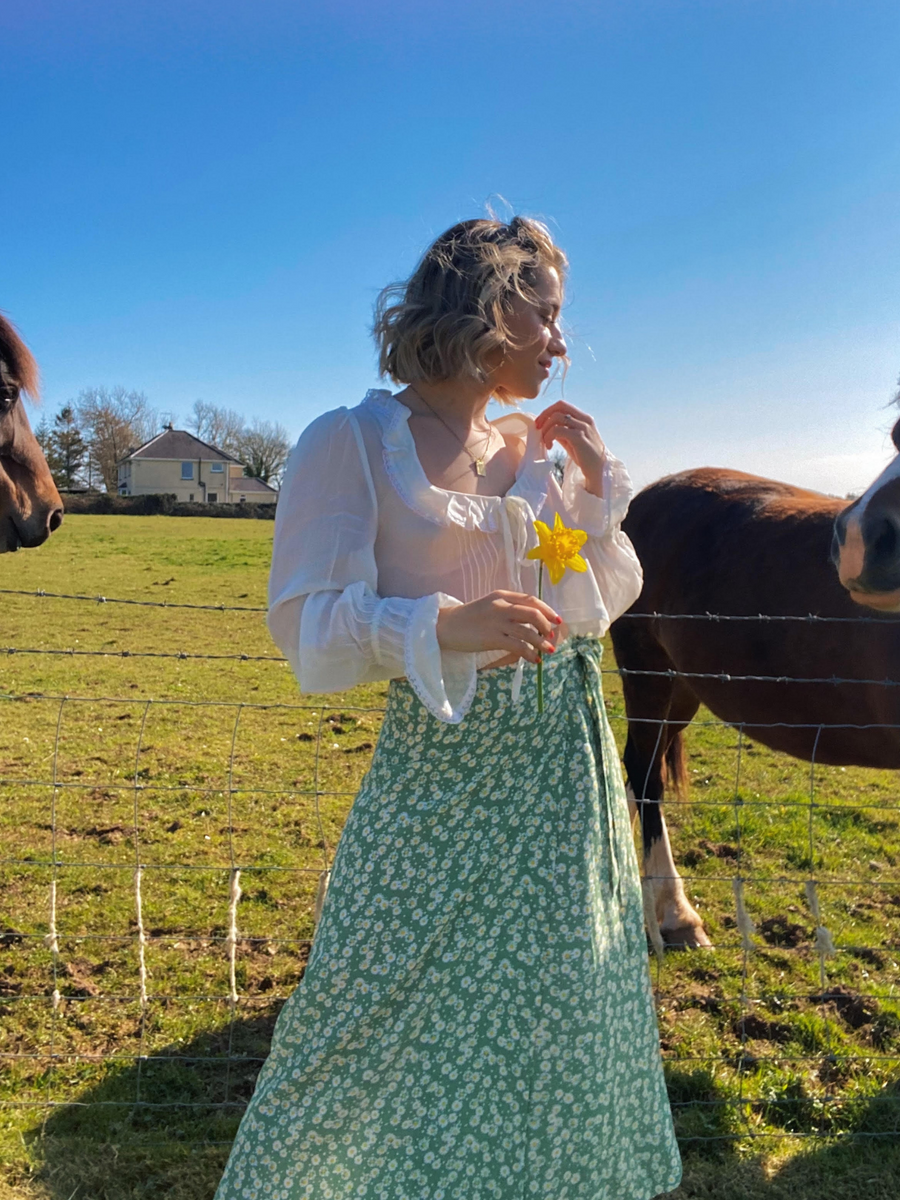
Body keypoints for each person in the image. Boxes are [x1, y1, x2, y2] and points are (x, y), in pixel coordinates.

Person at [214, 217, 681, 1199]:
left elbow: (592, 603)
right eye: (546, 315)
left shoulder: (533, 454)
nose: (560, 342)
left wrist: (596, 494)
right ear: (486, 305)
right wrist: (446, 627)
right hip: (443, 784)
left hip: (565, 775)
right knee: (373, 1015)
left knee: (558, 1015)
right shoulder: (354, 444)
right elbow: (306, 626)